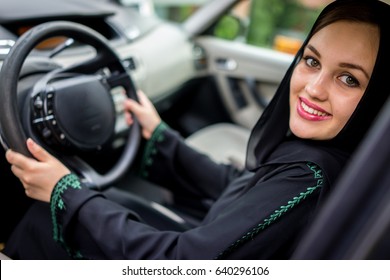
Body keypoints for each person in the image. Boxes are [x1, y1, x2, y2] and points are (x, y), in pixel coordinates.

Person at [2, 0, 389, 259]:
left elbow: (183, 262)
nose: (314, 88)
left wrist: (64, 193)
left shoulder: (309, 180)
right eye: (311, 60)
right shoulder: (320, 163)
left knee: (41, 217)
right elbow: (238, 187)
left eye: (349, 80)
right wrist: (160, 137)